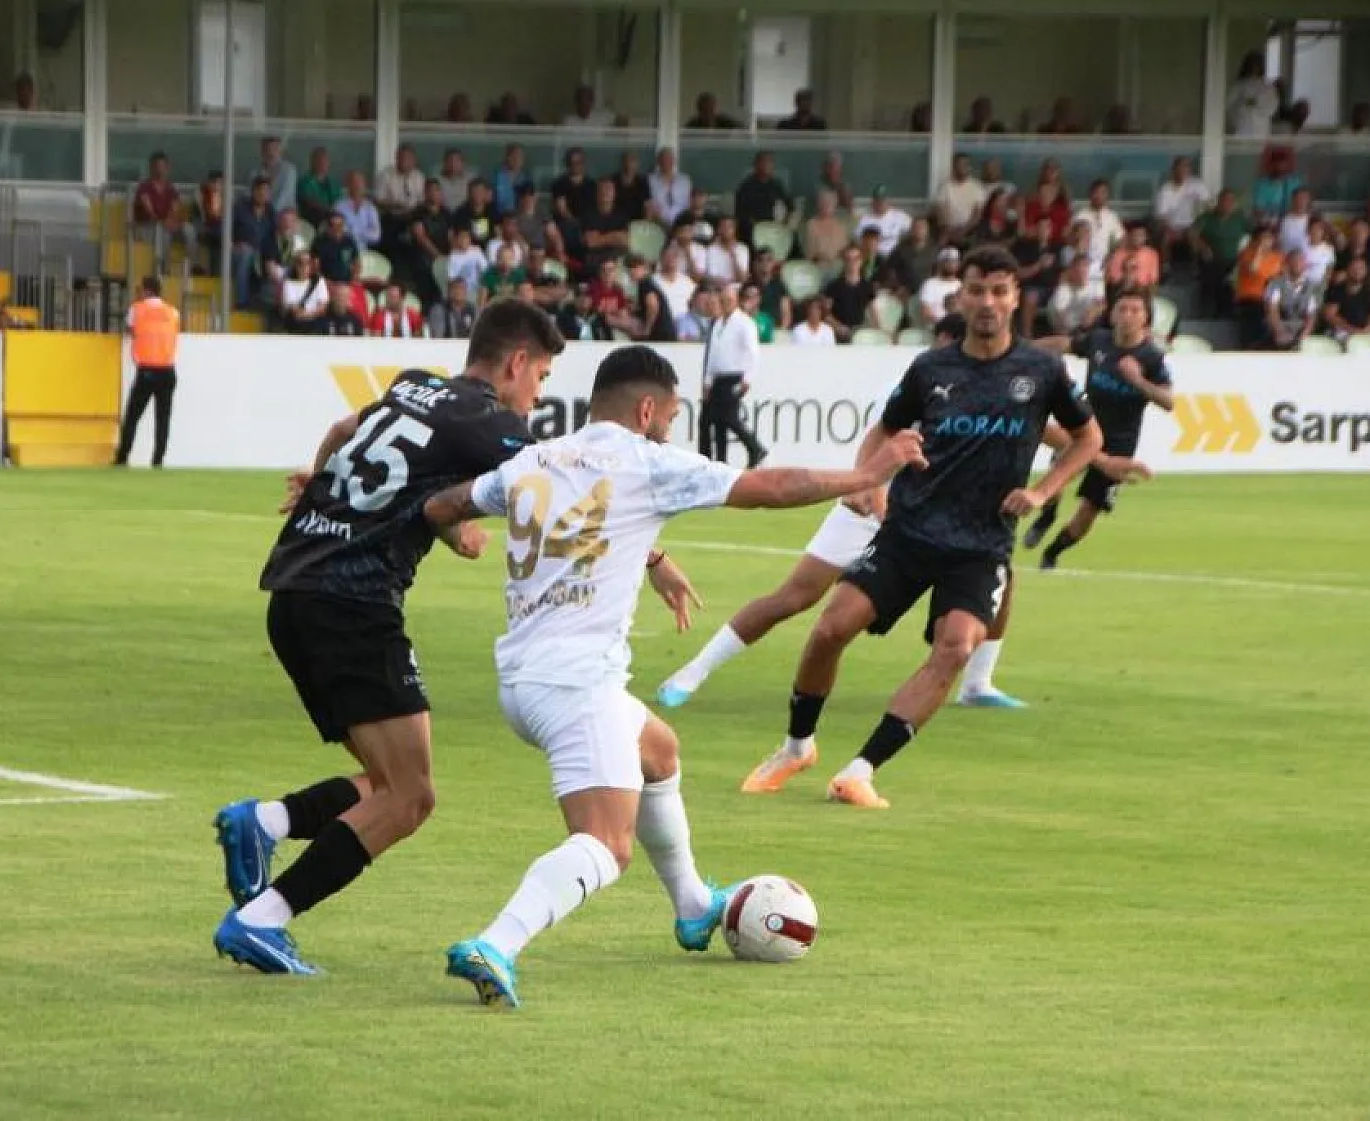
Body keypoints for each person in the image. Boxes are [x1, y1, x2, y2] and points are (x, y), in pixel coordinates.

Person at [422, 345, 927, 1007]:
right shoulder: (646, 461)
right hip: (576, 686)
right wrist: (868, 470)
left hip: (523, 678)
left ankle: (692, 905)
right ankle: (496, 942)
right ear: (648, 408)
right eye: (671, 417)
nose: (670, 430)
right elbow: (771, 488)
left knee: (658, 749)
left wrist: (462, 536)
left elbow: (444, 505)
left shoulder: (534, 458)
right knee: (606, 844)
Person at [208, 300, 566, 976]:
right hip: (353, 606)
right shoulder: (495, 424)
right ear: (517, 362)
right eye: (541, 377)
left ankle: (266, 822)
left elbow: (348, 429)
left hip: (292, 590)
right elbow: (566, 481)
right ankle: (262, 918)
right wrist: (658, 563)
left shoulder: (414, 384)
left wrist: (319, 480)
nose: (537, 395)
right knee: (411, 796)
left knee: (386, 781)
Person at [736, 246, 1103, 808]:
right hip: (908, 533)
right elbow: (883, 430)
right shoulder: (932, 369)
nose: (987, 302)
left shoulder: (1042, 371)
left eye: (1000, 291)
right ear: (961, 295)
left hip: (981, 546)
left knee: (955, 648)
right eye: (977, 290)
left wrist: (1043, 491)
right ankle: (796, 746)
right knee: (831, 627)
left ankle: (859, 770)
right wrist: (866, 482)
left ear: (1015, 298)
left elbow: (1088, 438)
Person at [1024, 289, 1171, 568]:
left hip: (1120, 443)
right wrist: (1025, 346)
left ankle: (1052, 553)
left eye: (1135, 311)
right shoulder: (1099, 341)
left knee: (1089, 510)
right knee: (1056, 480)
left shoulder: (1151, 357)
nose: (1127, 316)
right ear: (1113, 314)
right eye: (1122, 309)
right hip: (1084, 428)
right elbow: (1065, 343)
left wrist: (1137, 381)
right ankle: (1046, 516)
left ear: (1146, 319)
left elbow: (1168, 401)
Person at [114, 277, 181, 468]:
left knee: (133, 416)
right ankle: (157, 460)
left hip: (147, 370)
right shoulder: (172, 312)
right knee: (163, 419)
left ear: (147, 291)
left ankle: (122, 457)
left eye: (140, 289)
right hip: (168, 370)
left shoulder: (137, 309)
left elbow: (129, 329)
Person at [698, 283, 766, 467]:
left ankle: (755, 447)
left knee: (728, 417)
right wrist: (707, 380)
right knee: (718, 421)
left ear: (736, 300)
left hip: (734, 376)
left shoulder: (744, 322)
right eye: (723, 300)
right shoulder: (718, 323)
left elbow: (753, 352)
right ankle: (721, 460)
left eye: (728, 300)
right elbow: (713, 354)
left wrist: (747, 378)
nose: (725, 303)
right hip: (718, 378)